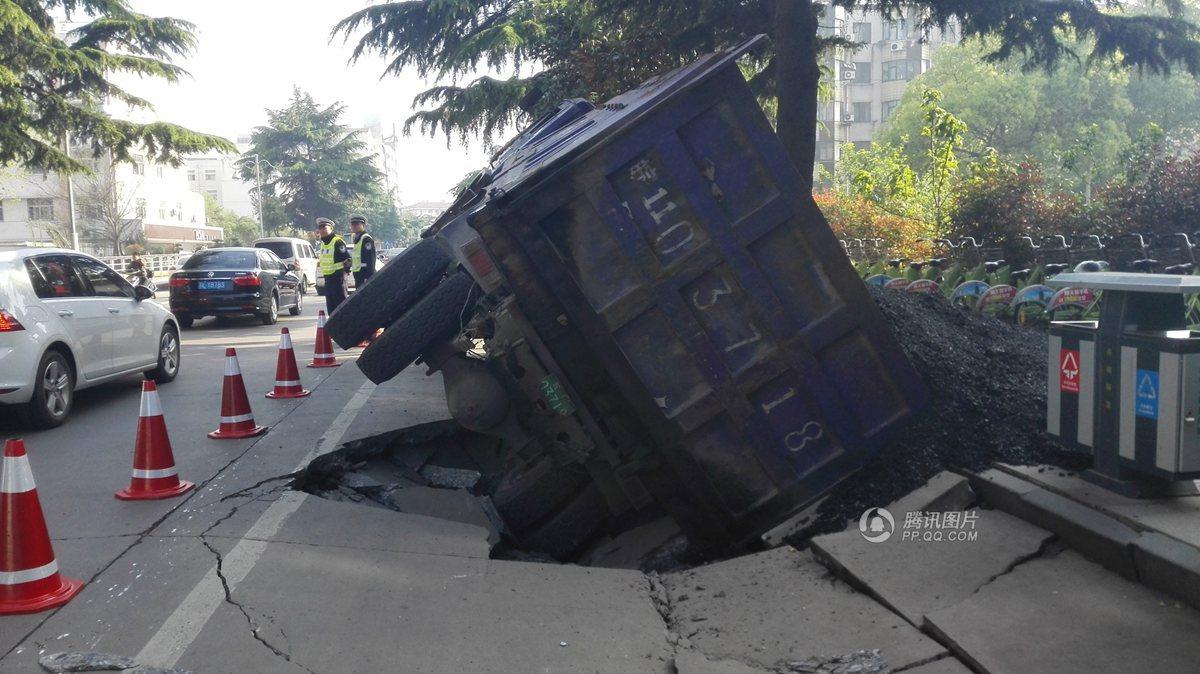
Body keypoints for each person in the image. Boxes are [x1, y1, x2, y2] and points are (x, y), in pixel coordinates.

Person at [317, 218, 351, 314]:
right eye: (320, 228)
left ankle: (344, 326)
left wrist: (345, 272)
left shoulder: (337, 242)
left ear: (331, 228)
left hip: (338, 278)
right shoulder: (323, 243)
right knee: (331, 306)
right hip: (328, 279)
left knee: (340, 306)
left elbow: (347, 259)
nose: (322, 230)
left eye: (324, 228)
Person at [349, 214, 377, 287]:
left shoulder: (366, 239)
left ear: (363, 225)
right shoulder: (357, 238)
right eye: (352, 224)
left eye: (357, 224)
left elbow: (370, 259)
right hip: (358, 274)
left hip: (364, 275)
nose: (354, 226)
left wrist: (368, 277)